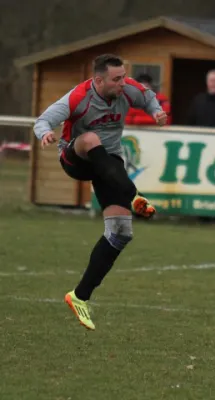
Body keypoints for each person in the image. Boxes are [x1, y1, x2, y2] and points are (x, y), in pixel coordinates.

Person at [33, 54, 167, 331]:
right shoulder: (77, 97)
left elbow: (148, 97)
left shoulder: (128, 89)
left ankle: (80, 295)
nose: (123, 83)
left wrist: (156, 112)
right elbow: (42, 121)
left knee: (120, 233)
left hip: (109, 164)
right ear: (98, 80)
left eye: (124, 77)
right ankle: (134, 195)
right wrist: (45, 133)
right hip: (77, 158)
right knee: (92, 138)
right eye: (117, 79)